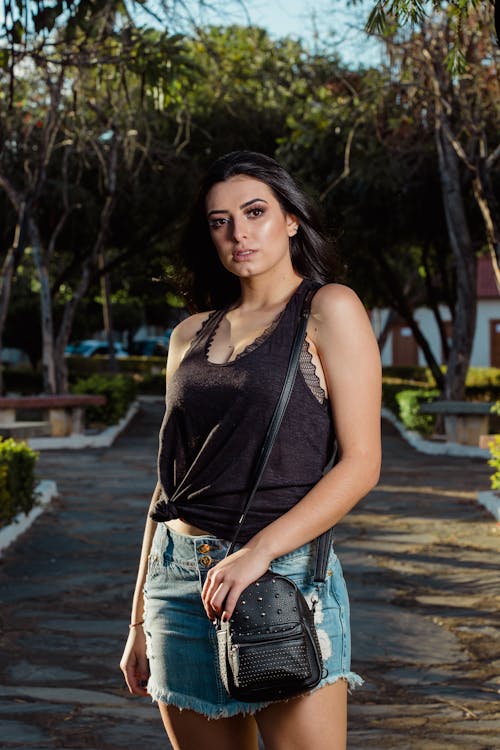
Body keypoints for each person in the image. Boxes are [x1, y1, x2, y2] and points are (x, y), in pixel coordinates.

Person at [120, 151, 381, 750]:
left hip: (282, 579)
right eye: (220, 221)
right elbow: (169, 485)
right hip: (178, 584)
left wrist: (257, 553)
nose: (238, 232)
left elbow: (362, 463)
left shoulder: (329, 309)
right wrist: (137, 619)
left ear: (290, 219)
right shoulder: (190, 334)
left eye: (255, 212)